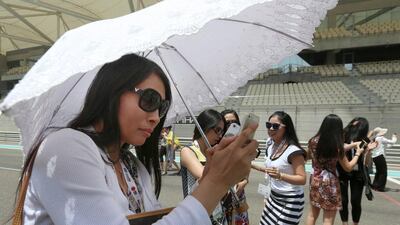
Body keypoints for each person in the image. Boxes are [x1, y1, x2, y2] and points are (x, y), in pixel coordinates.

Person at [17, 54, 259, 225]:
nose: (155, 117)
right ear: (112, 91)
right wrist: (215, 183)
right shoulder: (64, 147)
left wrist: (209, 180)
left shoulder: (133, 166)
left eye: (161, 107)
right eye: (149, 100)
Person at [305, 114, 364, 225]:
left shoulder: (313, 141)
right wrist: (357, 153)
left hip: (315, 180)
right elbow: (348, 167)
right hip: (330, 183)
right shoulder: (337, 146)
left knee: (312, 215)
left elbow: (307, 156)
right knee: (328, 219)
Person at [180, 109, 227, 224]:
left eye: (222, 131)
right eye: (217, 130)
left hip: (216, 212)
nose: (220, 136)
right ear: (204, 127)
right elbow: (203, 175)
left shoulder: (212, 151)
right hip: (196, 215)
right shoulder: (188, 151)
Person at [259, 111, 307, 225]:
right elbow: (269, 174)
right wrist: (267, 194)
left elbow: (302, 179)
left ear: (286, 128)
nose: (271, 129)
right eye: (268, 125)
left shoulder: (294, 151)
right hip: (273, 197)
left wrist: (281, 176)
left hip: (290, 201)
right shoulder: (270, 145)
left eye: (275, 126)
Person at [337, 117, 377, 225]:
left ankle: (355, 223)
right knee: (343, 201)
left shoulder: (365, 140)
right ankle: (344, 223)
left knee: (355, 201)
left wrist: (368, 152)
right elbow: (341, 148)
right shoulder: (343, 135)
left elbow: (367, 163)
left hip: (357, 172)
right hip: (342, 169)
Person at [221, 109, 250, 225]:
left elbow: (247, 166)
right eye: (227, 123)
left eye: (234, 122)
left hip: (238, 195)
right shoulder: (215, 144)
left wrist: (245, 181)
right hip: (220, 196)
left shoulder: (242, 144)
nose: (231, 125)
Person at [370, 127, 397, 192]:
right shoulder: (381, 138)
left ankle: (375, 185)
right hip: (380, 156)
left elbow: (387, 145)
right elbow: (392, 141)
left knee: (378, 171)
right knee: (383, 172)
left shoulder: (375, 138)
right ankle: (380, 187)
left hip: (374, 156)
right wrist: (394, 137)